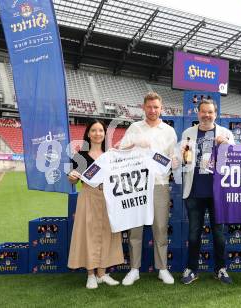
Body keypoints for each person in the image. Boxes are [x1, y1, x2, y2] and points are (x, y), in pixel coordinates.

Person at [119, 92, 177, 285]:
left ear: (161, 109)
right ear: (143, 107)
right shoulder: (134, 128)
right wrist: (134, 143)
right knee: (135, 229)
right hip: (136, 185)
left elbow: (173, 159)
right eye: (150, 107)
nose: (153, 110)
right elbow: (120, 152)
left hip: (160, 185)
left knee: (160, 228)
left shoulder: (169, 131)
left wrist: (176, 161)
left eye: (156, 107)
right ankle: (134, 269)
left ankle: (162, 268)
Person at [180, 99, 235, 284]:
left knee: (219, 234)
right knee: (194, 233)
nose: (206, 115)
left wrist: (226, 144)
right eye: (203, 112)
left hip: (218, 194)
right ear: (198, 113)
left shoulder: (226, 134)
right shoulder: (188, 133)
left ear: (215, 114)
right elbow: (183, 159)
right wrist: (180, 156)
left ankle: (220, 269)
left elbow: (235, 161)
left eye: (210, 112)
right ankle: (192, 269)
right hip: (195, 192)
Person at [68, 120, 124, 289]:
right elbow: (72, 178)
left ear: (104, 134)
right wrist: (71, 177)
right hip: (88, 196)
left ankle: (102, 273)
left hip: (109, 197)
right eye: (94, 130)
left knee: (107, 234)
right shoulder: (80, 156)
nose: (97, 133)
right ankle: (91, 274)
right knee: (89, 234)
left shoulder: (111, 154)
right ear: (88, 133)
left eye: (101, 130)